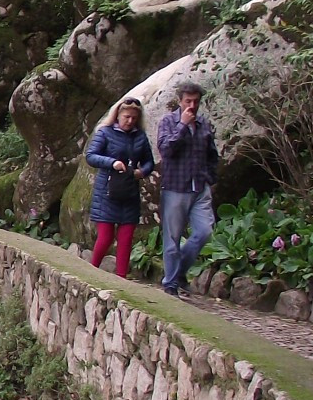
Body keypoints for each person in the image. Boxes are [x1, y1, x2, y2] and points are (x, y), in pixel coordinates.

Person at [156, 80, 219, 296]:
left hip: (200, 187)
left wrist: (210, 177)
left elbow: (212, 154)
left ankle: (178, 271)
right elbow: (166, 150)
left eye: (195, 101)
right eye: (188, 101)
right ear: (180, 101)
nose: (192, 105)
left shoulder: (204, 124)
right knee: (172, 239)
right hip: (175, 187)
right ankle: (171, 284)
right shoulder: (168, 122)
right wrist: (182, 125)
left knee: (204, 232)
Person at [84, 96, 154, 278]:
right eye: (126, 117)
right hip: (107, 192)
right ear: (118, 115)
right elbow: (91, 156)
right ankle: (91, 273)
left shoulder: (140, 136)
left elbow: (149, 161)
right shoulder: (105, 132)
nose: (130, 121)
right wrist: (112, 162)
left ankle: (121, 279)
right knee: (106, 237)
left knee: (126, 238)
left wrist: (142, 172)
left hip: (129, 191)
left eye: (133, 118)